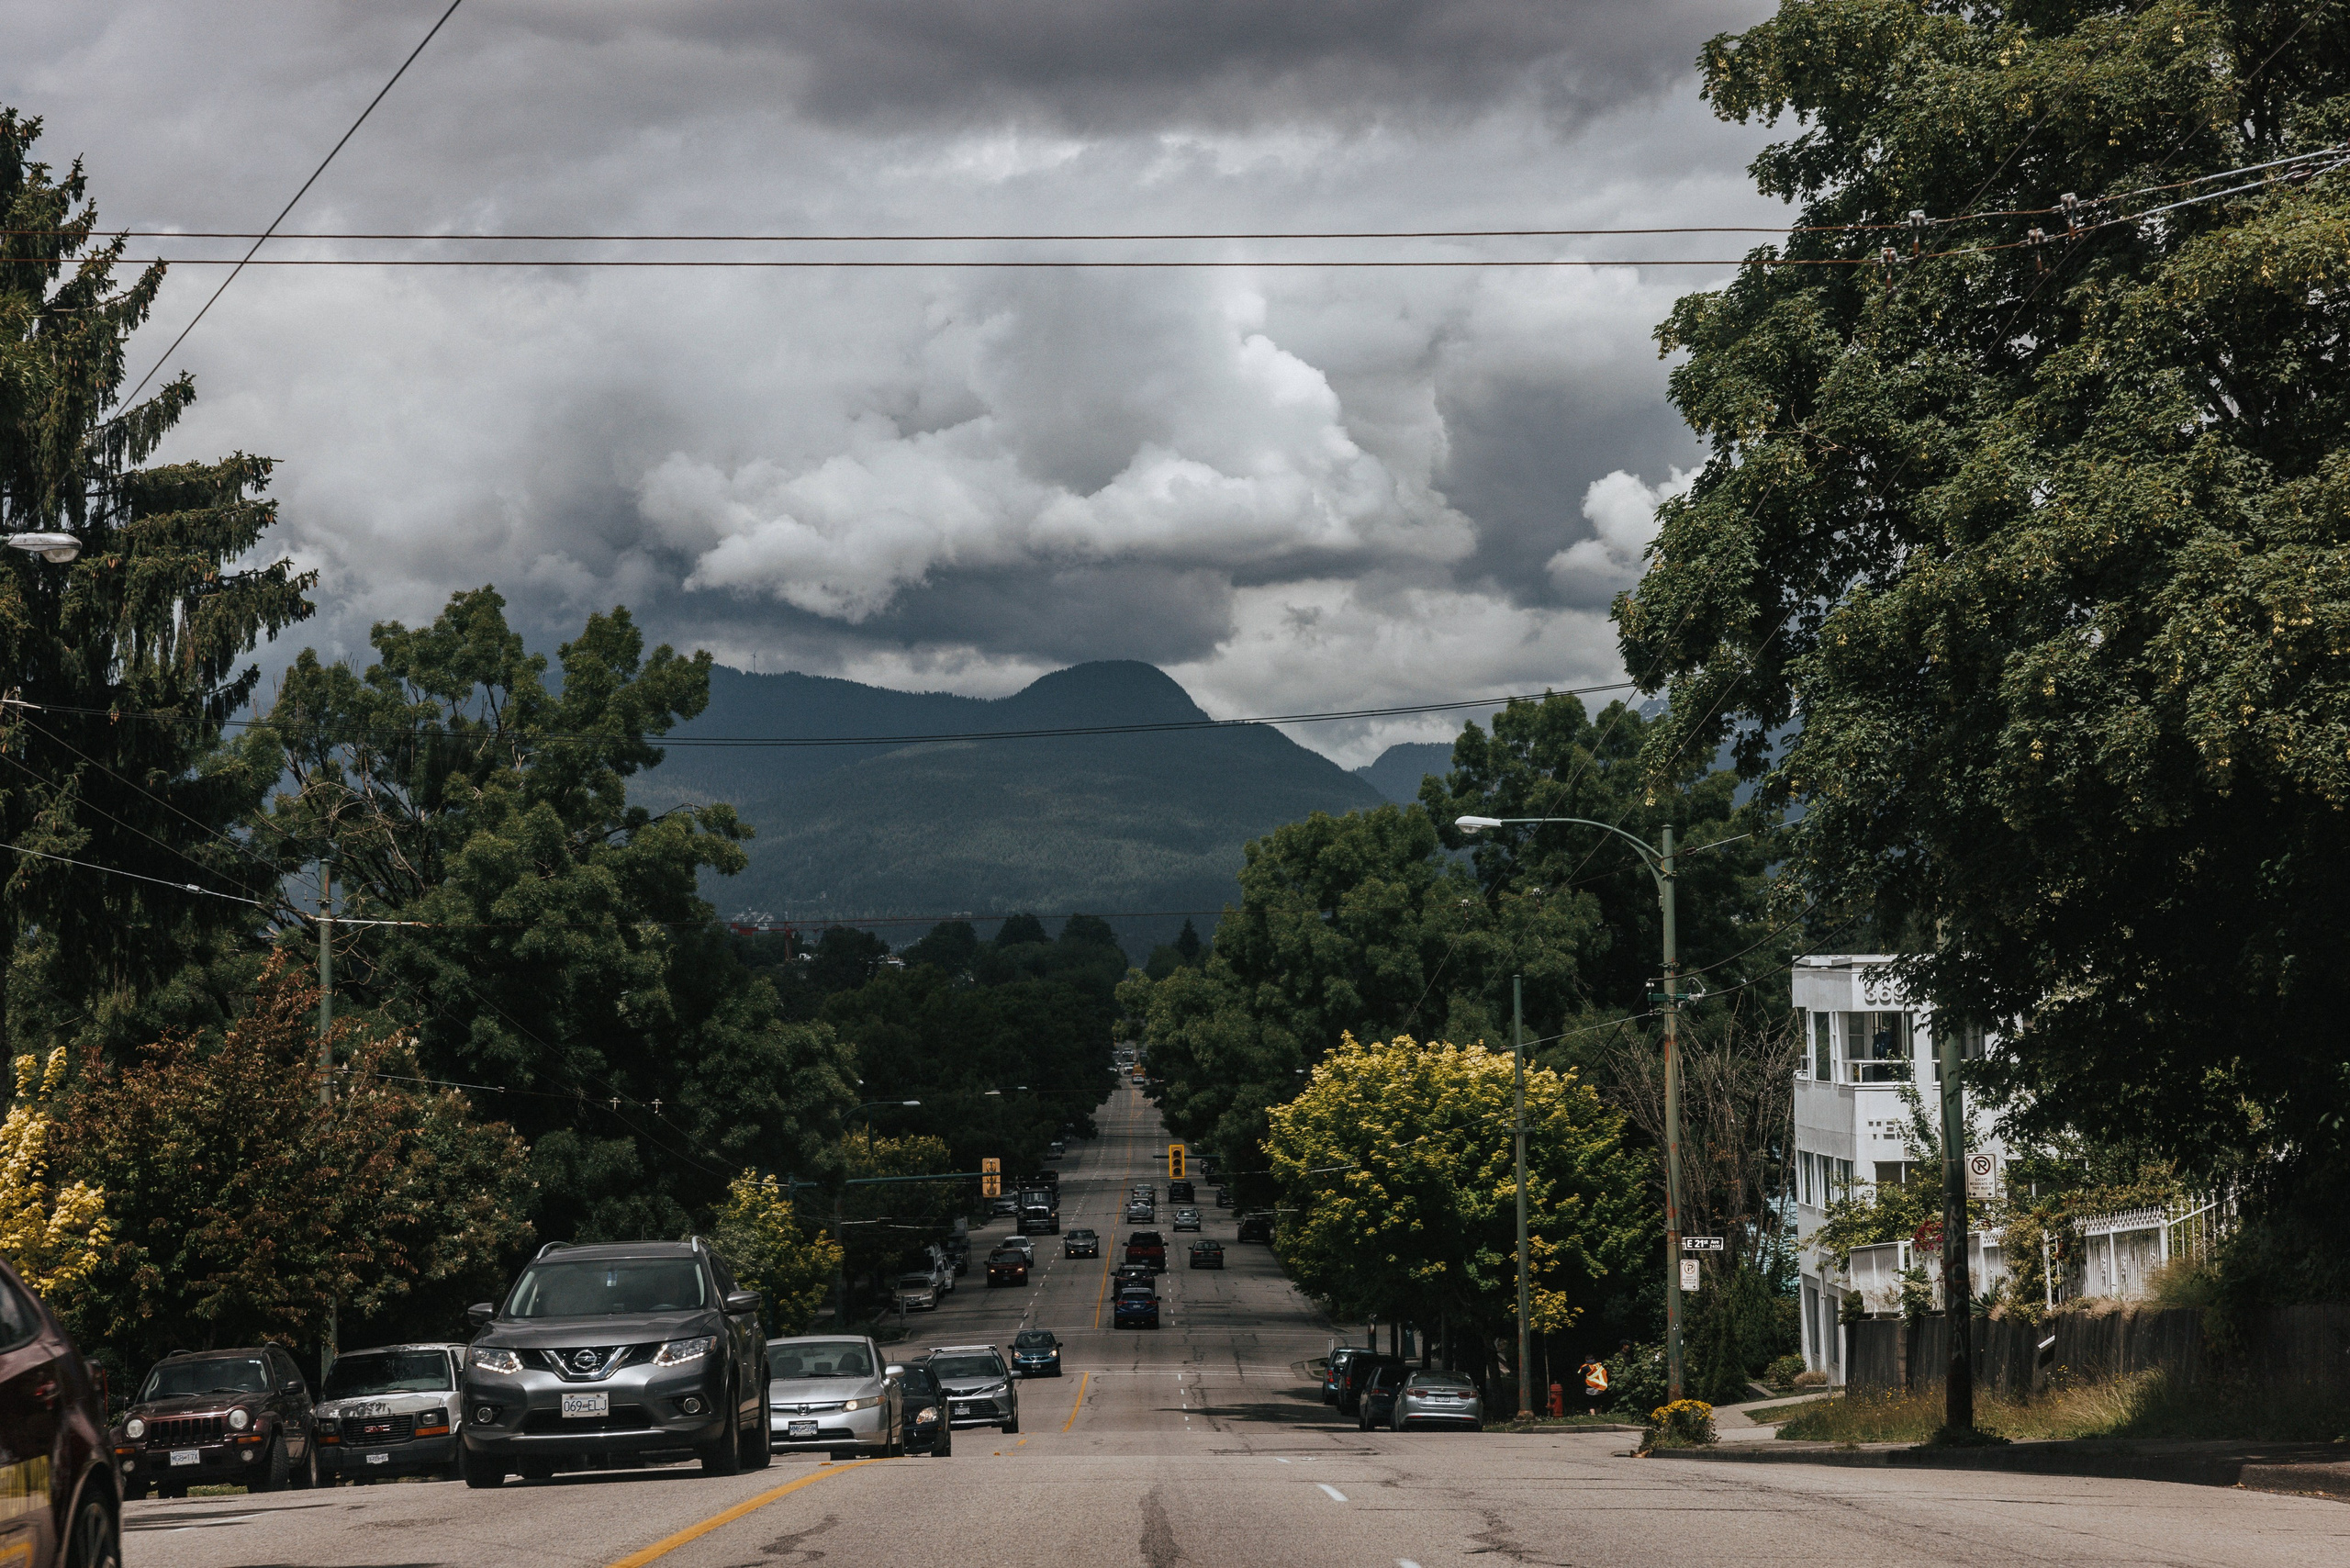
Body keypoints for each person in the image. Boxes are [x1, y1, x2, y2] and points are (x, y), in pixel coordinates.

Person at [1578, 1353, 1608, 1417]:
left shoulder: (1584, 1367)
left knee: (1591, 1403)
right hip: (1600, 1387)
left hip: (1590, 1386)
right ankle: (1599, 1415)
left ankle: (1593, 1415)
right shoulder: (1600, 1365)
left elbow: (1579, 1374)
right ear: (1594, 1359)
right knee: (1598, 1402)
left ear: (1586, 1360)